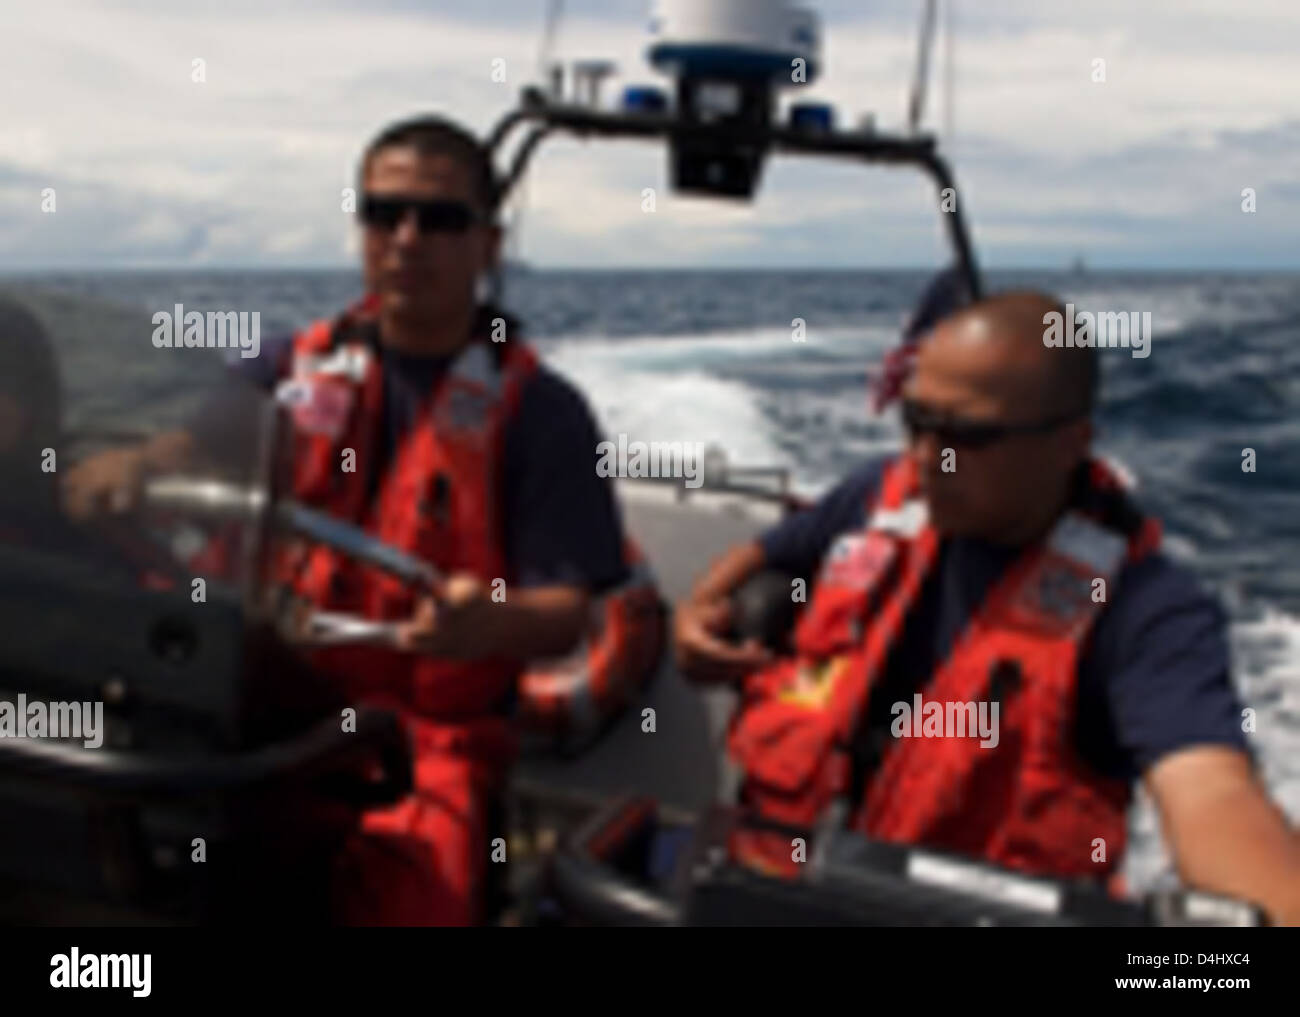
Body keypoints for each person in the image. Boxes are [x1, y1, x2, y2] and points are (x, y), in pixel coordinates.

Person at [63, 115, 655, 925]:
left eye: (441, 219)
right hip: (261, 704)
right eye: (384, 214)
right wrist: (137, 465)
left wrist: (488, 623)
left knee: (417, 899)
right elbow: (195, 447)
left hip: (425, 743)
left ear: (488, 244)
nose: (407, 238)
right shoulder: (287, 367)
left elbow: (564, 616)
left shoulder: (543, 417)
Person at [674, 291, 1300, 925]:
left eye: (967, 436)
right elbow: (762, 553)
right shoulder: (877, 496)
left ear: (1070, 443)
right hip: (776, 891)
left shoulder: (1144, 612)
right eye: (916, 421)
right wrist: (698, 615)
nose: (926, 458)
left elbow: (1213, 792)